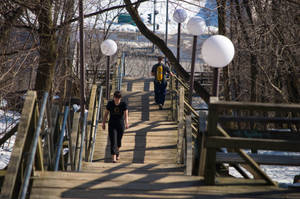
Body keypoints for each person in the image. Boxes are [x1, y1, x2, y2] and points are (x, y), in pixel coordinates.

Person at [102, 91, 129, 163]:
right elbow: (106, 114)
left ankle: (117, 152)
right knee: (113, 141)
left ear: (120, 98)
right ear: (113, 97)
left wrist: (126, 123)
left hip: (120, 124)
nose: (116, 99)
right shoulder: (110, 104)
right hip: (112, 124)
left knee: (119, 141)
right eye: (115, 98)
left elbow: (126, 115)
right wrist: (103, 123)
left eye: (118, 98)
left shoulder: (123, 104)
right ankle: (113, 157)